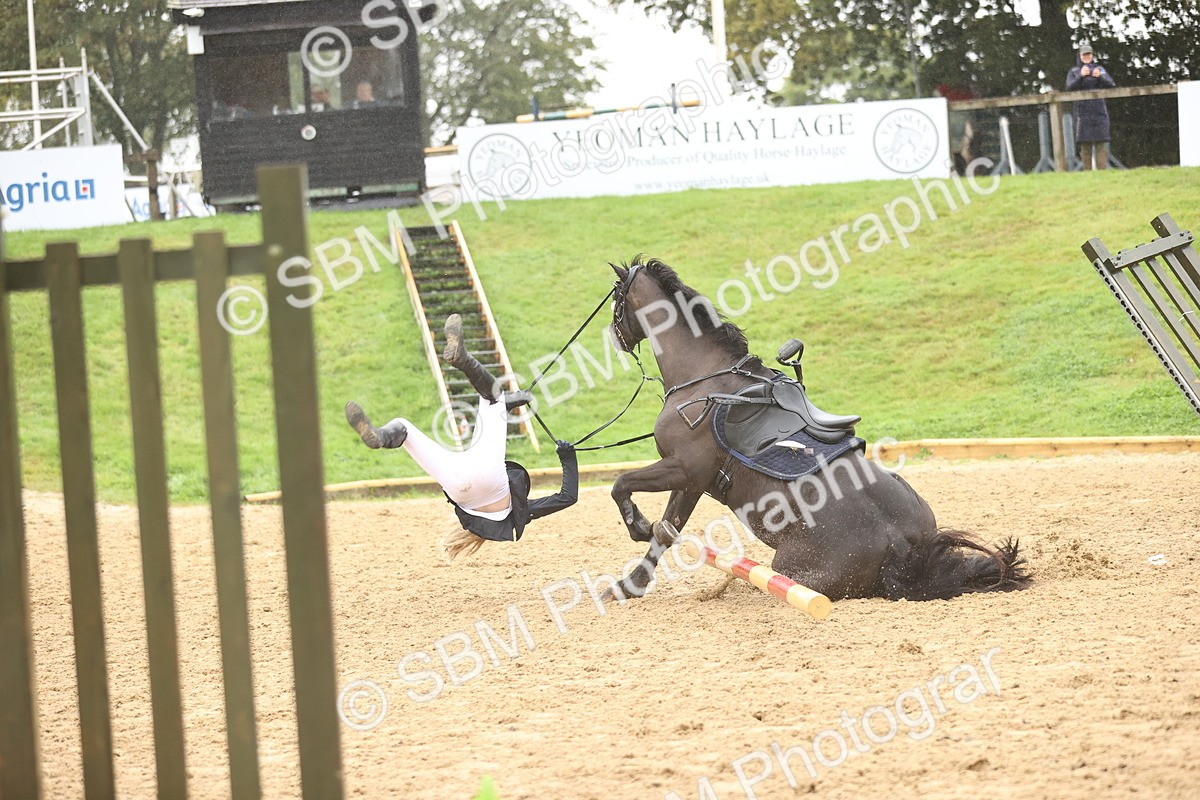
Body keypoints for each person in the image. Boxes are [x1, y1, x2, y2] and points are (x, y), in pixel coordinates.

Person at [345, 314, 578, 559]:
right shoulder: (482, 517)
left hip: (491, 482)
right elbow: (567, 498)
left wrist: (567, 457)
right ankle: (382, 436)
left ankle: (461, 361)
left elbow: (567, 497)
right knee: (407, 429)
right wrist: (510, 404)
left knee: (493, 399)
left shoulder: (519, 511)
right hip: (459, 487)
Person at [1065, 43, 1116, 170]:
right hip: (1082, 114)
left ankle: (1102, 173)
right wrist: (1081, 77)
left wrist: (1101, 77)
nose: (1087, 56)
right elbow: (1069, 88)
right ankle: (1087, 174)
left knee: (1100, 144)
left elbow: (1111, 85)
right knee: (1085, 146)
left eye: (1089, 54)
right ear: (1080, 56)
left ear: (1092, 55)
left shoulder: (1100, 70)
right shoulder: (1074, 72)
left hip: (1099, 112)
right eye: (1084, 54)